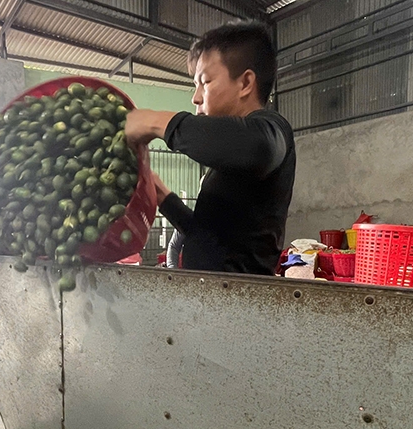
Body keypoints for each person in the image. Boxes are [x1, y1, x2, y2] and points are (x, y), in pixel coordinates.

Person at [125, 21, 295, 276]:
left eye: (205, 82)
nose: (195, 97)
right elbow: (205, 235)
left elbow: (259, 148)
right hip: (211, 299)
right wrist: (162, 196)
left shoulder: (272, 130)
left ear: (246, 83)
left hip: (240, 303)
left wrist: (154, 121)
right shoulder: (229, 163)